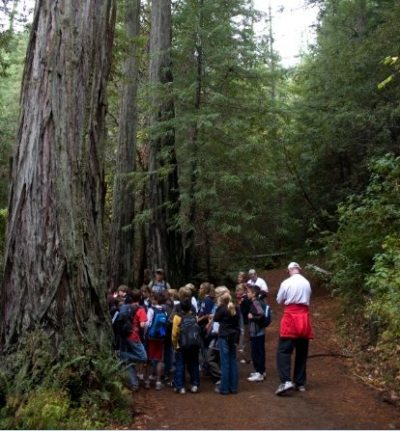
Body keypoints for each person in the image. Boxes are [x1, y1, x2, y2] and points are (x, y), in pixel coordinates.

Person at [275, 262, 313, 395]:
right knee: (302, 352)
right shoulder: (307, 282)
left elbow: (279, 300)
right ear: (299, 270)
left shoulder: (286, 282)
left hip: (291, 317)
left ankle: (286, 381)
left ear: (290, 270)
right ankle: (300, 382)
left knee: (284, 351)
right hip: (304, 318)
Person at [117, 289, 148, 391]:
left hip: (125, 335)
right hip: (134, 336)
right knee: (143, 357)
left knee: (130, 361)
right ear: (140, 298)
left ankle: (134, 384)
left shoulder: (126, 307)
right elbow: (143, 325)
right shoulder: (140, 309)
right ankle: (120, 355)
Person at [171, 298, 200, 394]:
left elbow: (174, 334)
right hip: (194, 345)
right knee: (194, 364)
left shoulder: (177, 317)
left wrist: (175, 345)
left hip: (181, 345)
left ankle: (181, 387)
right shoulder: (194, 316)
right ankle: (195, 385)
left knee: (180, 365)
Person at [213, 291, 240, 395]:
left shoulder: (222, 309)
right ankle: (233, 387)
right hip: (233, 336)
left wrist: (219, 306)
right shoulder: (236, 308)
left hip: (224, 336)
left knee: (225, 362)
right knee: (232, 360)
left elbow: (215, 318)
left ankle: (224, 388)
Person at [247, 285, 266, 382]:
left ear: (253, 294)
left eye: (249, 292)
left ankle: (259, 373)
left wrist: (252, 317)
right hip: (259, 331)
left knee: (256, 352)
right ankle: (261, 371)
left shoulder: (255, 303)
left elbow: (261, 314)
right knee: (259, 351)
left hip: (257, 332)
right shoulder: (257, 301)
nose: (247, 294)